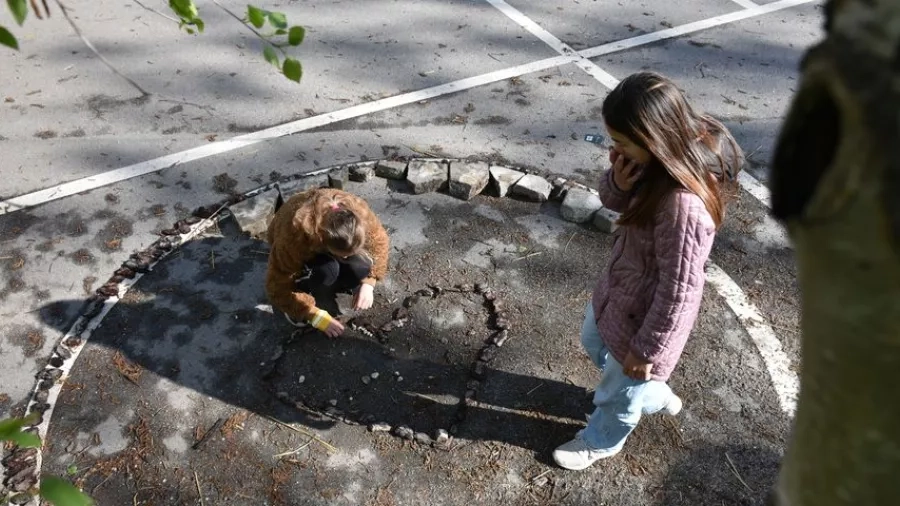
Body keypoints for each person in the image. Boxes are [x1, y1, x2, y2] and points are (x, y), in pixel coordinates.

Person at [553, 72, 744, 471]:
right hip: (619, 289)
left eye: (622, 143)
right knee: (594, 341)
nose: (614, 151)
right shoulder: (649, 165)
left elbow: (681, 292)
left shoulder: (683, 206)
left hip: (646, 321)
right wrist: (618, 184)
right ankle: (653, 393)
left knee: (618, 393)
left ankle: (603, 440)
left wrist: (649, 352)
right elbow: (616, 203)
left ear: (654, 138)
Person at [265, 188, 390, 338]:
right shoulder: (293, 238)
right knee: (327, 271)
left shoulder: (359, 213)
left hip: (327, 241)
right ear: (323, 242)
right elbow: (276, 287)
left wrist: (369, 283)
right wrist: (313, 314)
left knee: (361, 264)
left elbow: (380, 243)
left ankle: (346, 273)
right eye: (344, 256)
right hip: (302, 245)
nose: (347, 258)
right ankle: (303, 287)